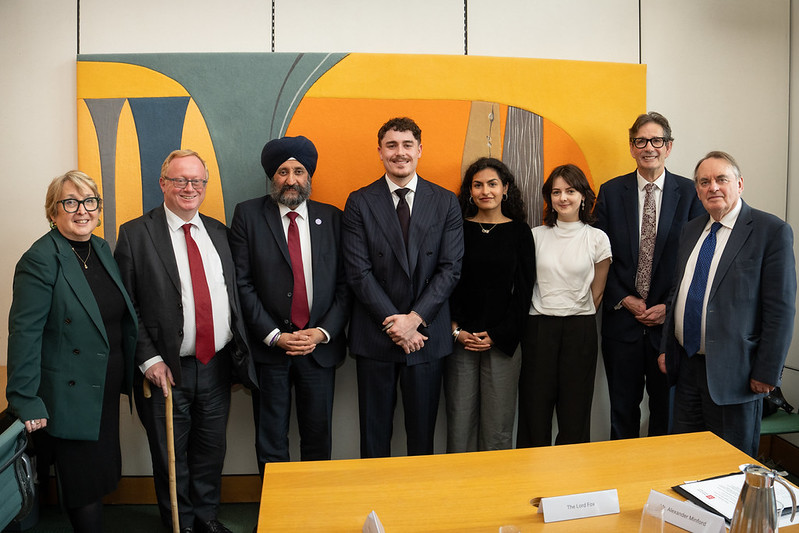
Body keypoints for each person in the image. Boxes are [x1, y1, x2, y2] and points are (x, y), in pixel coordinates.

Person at [115, 150, 256, 533]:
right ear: (163, 184)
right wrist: (149, 360)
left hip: (216, 365)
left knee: (211, 450)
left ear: (205, 186)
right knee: (171, 455)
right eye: (179, 180)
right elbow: (127, 307)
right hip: (166, 369)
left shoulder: (219, 233)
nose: (189, 188)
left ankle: (207, 519)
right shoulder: (135, 235)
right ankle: (181, 525)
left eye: (197, 181)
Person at [6, 171, 137, 532]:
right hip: (68, 394)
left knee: (97, 477)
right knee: (84, 487)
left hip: (103, 389)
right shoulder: (40, 259)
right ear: (53, 211)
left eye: (90, 201)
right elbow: (24, 334)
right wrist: (25, 399)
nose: (82, 210)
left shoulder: (100, 249)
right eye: (70, 202)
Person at [659, 151, 796, 457]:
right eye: (704, 182)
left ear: (740, 183)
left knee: (727, 469)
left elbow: (781, 310)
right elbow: (678, 291)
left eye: (722, 179)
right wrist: (667, 348)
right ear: (697, 190)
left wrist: (767, 372)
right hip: (687, 369)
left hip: (738, 376)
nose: (713, 187)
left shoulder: (770, 231)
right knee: (684, 461)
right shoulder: (692, 229)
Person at [342, 117, 464, 458]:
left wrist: (415, 319)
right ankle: (374, 507)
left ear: (420, 150)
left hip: (427, 336)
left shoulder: (445, 202)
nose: (400, 153)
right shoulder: (359, 202)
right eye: (391, 145)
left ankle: (418, 507)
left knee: (422, 437)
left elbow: (450, 269)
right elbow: (358, 272)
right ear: (379, 152)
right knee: (374, 436)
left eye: (407, 145)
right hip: (376, 335)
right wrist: (397, 323)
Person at [229, 136, 350, 472]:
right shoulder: (248, 216)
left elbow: (345, 285)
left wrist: (322, 332)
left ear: (309, 176)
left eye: (299, 171)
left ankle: (311, 516)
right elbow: (242, 284)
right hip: (270, 351)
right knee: (271, 440)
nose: (291, 179)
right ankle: (274, 518)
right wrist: (274, 335)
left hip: (319, 351)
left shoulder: (333, 219)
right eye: (283, 171)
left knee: (317, 437)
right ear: (273, 177)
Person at [594, 112, 705, 440]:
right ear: (632, 148)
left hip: (669, 328)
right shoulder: (612, 192)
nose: (649, 148)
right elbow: (600, 256)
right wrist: (623, 298)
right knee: (622, 413)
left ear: (668, 147)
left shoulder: (690, 192)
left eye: (657, 141)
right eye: (641, 141)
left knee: (666, 414)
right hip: (621, 324)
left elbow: (696, 262)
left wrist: (668, 308)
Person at [517, 164, 611, 447]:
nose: (563, 198)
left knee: (575, 412)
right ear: (549, 198)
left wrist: (574, 313)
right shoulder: (535, 235)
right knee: (535, 411)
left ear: (583, 195)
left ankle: (570, 484)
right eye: (556, 192)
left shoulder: (597, 238)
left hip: (579, 330)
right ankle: (530, 478)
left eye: (570, 191)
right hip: (538, 328)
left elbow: (598, 292)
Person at [445, 157, 534, 452]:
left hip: (503, 342)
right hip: (461, 341)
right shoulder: (457, 228)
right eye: (478, 184)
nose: (486, 191)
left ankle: (495, 493)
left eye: (493, 184)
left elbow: (523, 293)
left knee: (498, 429)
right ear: (470, 191)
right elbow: (446, 283)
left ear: (505, 188)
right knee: (459, 425)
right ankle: (459, 494)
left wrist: (497, 334)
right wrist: (456, 331)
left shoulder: (521, 233)